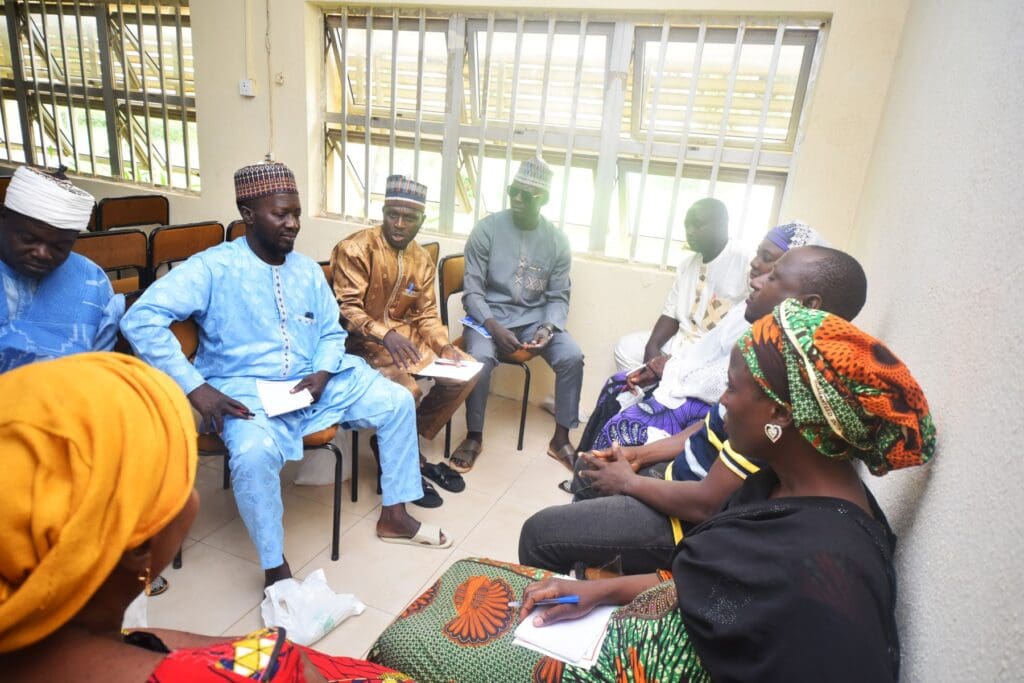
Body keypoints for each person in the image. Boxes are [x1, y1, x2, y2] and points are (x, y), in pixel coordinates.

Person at [368, 298, 936, 682]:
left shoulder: (823, 574)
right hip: (638, 624)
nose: (723, 403)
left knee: (410, 647)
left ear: (780, 416)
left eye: (735, 391)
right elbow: (716, 591)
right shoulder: (795, 484)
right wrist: (605, 594)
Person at [121, 161, 451, 590]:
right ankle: (275, 567)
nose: (293, 224)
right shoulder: (211, 268)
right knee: (254, 451)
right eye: (281, 214)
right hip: (245, 390)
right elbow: (140, 319)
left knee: (396, 401)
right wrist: (196, 388)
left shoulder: (305, 271)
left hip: (316, 383)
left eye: (296, 213)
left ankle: (395, 514)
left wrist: (322, 372)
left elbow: (332, 331)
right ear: (249, 213)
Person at [0, 352, 412, 682]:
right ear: (141, 547)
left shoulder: (95, 641)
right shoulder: (272, 671)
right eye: (181, 478)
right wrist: (278, 655)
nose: (193, 495)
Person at [520, 245, 868, 575]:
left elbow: (706, 505)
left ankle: (575, 577)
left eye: (774, 277)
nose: (757, 279)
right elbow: (710, 427)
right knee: (589, 467)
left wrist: (628, 482)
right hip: (677, 483)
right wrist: (638, 454)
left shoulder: (784, 390)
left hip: (682, 523)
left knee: (538, 534)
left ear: (807, 303)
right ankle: (584, 564)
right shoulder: (766, 355)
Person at [577, 223, 829, 454]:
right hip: (690, 368)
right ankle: (584, 463)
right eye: (757, 254)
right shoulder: (747, 304)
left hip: (707, 401)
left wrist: (671, 372)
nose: (753, 263)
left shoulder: (778, 332)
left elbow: (723, 381)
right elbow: (705, 348)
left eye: (767, 260)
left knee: (625, 424)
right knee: (617, 384)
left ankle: (592, 479)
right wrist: (662, 364)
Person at [331, 174, 478, 505]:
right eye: (391, 214)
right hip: (362, 347)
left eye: (408, 218)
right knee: (406, 391)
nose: (398, 224)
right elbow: (347, 310)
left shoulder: (420, 258)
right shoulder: (355, 249)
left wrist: (445, 346)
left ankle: (405, 445)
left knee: (466, 370)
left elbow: (426, 315)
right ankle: (398, 467)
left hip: (407, 343)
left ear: (421, 220)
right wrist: (386, 335)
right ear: (382, 212)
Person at [450, 156, 584, 472]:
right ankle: (474, 436)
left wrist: (548, 328)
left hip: (534, 320)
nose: (519, 199)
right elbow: (472, 292)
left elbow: (559, 296)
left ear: (545, 199)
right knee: (480, 360)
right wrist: (493, 326)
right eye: (514, 191)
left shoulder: (557, 241)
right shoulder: (487, 230)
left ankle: (561, 438)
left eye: (529, 194)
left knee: (572, 357)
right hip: (488, 318)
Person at [0, 165, 123, 372]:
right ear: (3, 217)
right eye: (28, 239)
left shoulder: (91, 280)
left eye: (59, 247)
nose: (42, 253)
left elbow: (99, 367)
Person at [612, 197, 748, 372]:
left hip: (713, 354)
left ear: (722, 225)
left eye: (697, 225)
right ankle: (652, 392)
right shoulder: (687, 265)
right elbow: (670, 314)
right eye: (687, 225)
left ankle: (665, 389)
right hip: (681, 341)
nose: (689, 232)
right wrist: (651, 347)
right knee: (626, 348)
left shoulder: (746, 261)